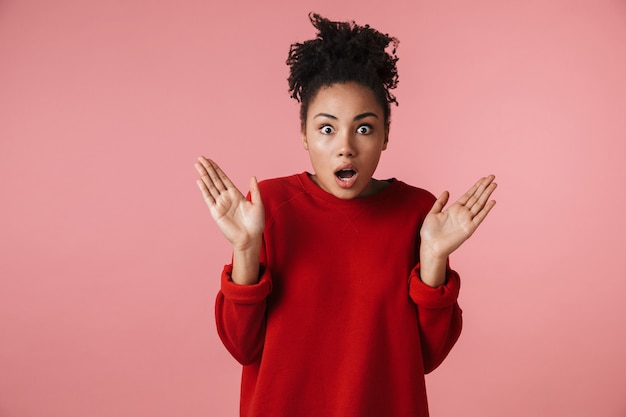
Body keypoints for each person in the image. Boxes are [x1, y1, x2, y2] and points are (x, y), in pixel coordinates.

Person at [195, 13, 496, 417]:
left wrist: (433, 259)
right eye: (326, 128)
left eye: (364, 128)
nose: (346, 147)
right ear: (303, 134)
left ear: (386, 134)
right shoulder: (267, 206)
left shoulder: (419, 214)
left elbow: (427, 356)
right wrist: (246, 248)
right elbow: (241, 346)